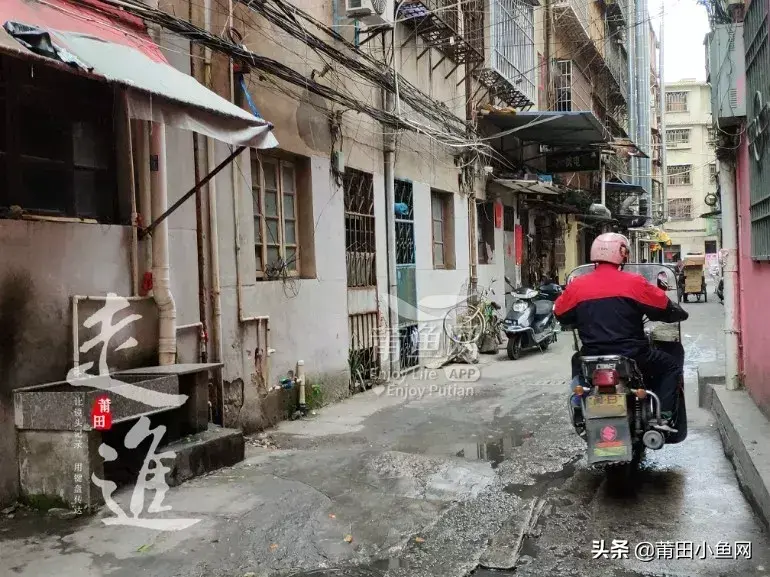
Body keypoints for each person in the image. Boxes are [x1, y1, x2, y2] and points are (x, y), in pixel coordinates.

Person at [554, 232, 689, 426]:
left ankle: (579, 406)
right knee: (671, 366)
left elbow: (560, 313)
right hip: (633, 357)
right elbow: (664, 306)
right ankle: (664, 417)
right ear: (623, 255)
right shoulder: (634, 282)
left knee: (577, 361)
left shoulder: (577, 286)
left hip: (592, 357)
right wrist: (678, 313)